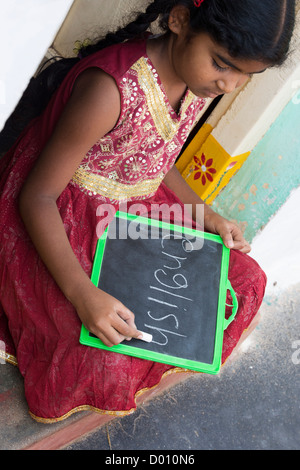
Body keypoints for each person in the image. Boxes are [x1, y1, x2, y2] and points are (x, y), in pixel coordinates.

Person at [0, 0, 295, 422]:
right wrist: (83, 294)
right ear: (179, 20)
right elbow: (37, 197)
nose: (230, 85)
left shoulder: (196, 82)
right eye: (222, 64)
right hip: (62, 217)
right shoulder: (109, 90)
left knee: (244, 282)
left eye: (246, 77)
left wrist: (204, 214)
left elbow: (158, 155)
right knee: (104, 351)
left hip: (136, 211)